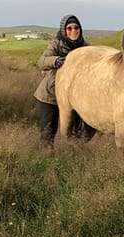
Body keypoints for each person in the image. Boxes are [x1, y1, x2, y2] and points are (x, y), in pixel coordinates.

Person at [34, 14, 94, 145]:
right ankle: (46, 159)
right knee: (48, 133)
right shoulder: (57, 43)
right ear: (64, 30)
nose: (74, 31)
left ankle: (73, 155)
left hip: (75, 97)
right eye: (69, 28)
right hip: (51, 95)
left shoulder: (85, 47)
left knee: (75, 132)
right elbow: (41, 61)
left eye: (76, 27)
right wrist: (56, 61)